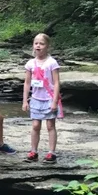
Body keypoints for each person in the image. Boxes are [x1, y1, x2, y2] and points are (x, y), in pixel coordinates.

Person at [23, 33, 61, 162]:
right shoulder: (30, 63)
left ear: (47, 46)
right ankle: (33, 151)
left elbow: (56, 83)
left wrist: (55, 101)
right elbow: (27, 83)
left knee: (50, 125)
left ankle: (52, 152)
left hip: (49, 98)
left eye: (42, 43)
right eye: (36, 43)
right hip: (35, 98)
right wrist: (24, 100)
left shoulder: (52, 63)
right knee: (35, 126)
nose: (38, 46)